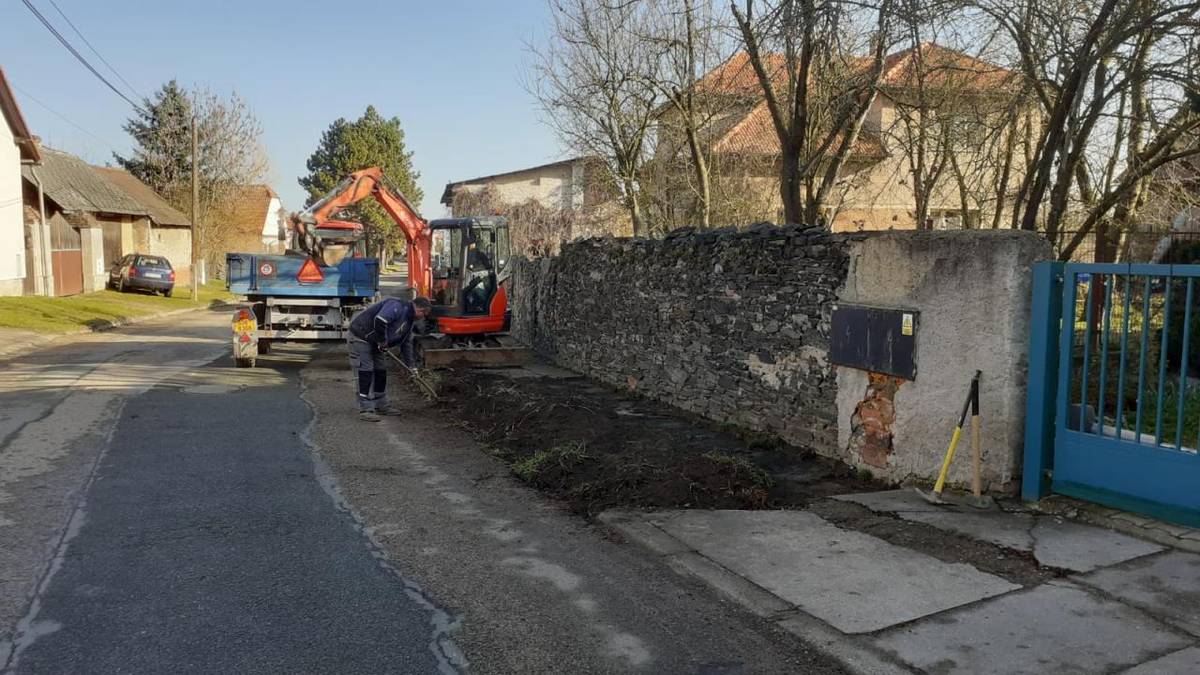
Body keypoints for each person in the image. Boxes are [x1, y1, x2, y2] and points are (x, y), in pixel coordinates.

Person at [346, 295, 433, 422]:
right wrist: (382, 341)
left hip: (376, 342)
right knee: (366, 371)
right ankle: (366, 408)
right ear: (420, 310)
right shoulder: (398, 306)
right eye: (424, 315)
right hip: (361, 337)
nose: (423, 318)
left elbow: (406, 345)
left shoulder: (409, 322)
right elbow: (380, 320)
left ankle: (381, 404)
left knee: (381, 370)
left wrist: (411, 366)